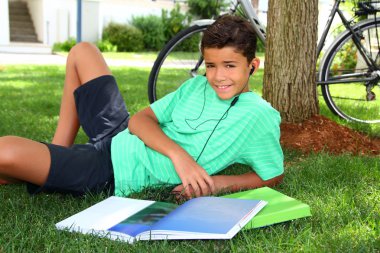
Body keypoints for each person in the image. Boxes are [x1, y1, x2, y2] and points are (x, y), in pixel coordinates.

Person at [0, 15, 283, 199]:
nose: (218, 76)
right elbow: (140, 120)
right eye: (211, 65)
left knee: (6, 152)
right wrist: (180, 156)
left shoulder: (258, 116)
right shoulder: (196, 86)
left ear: (252, 66)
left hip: (113, 169)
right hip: (122, 133)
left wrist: (219, 182)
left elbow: (271, 175)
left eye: (230, 66)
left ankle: (50, 166)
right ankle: (57, 154)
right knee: (82, 51)